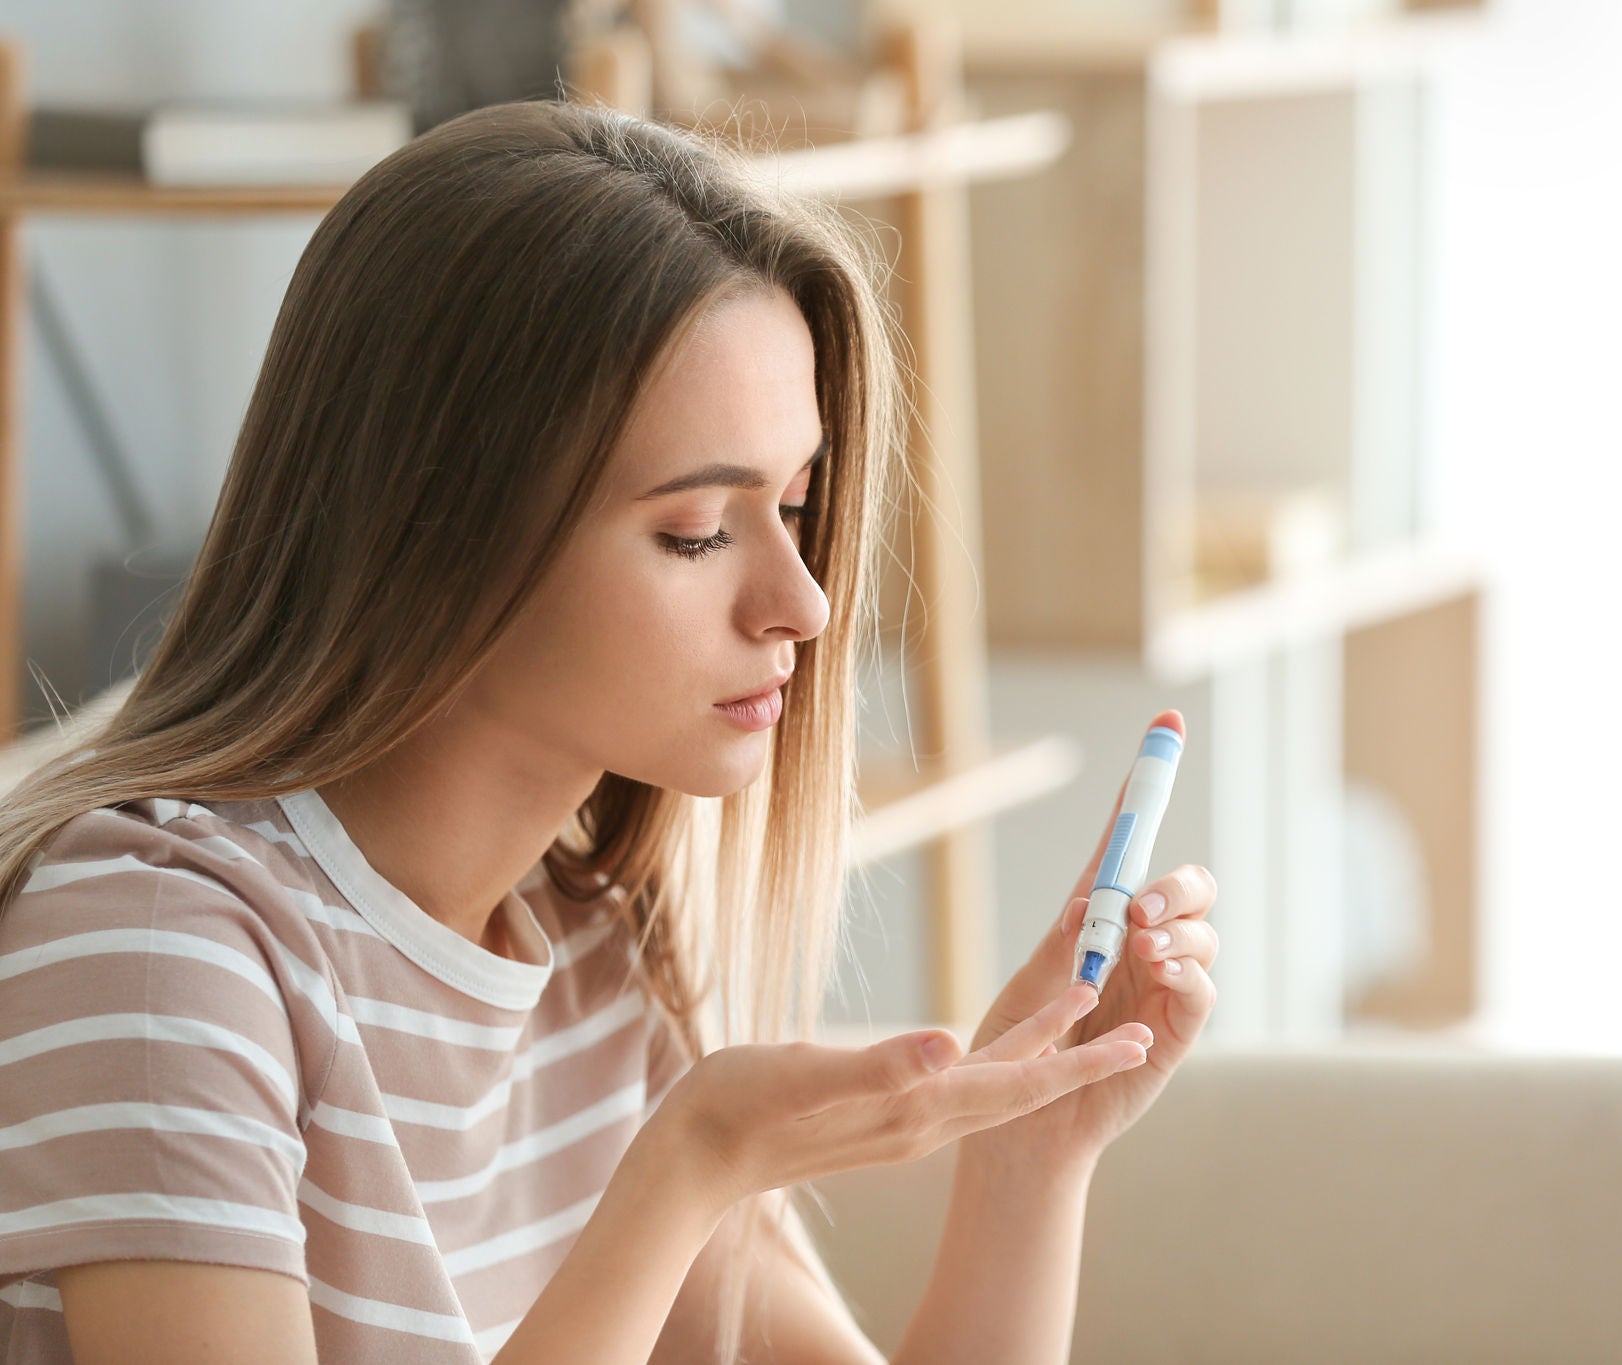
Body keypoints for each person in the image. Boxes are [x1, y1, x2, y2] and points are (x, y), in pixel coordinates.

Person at [0, 98, 1221, 1364]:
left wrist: (1029, 1157)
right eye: (696, 529)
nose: (800, 604)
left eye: (795, 507)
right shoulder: (157, 949)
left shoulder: (585, 952)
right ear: (439, 530)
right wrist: (689, 1165)